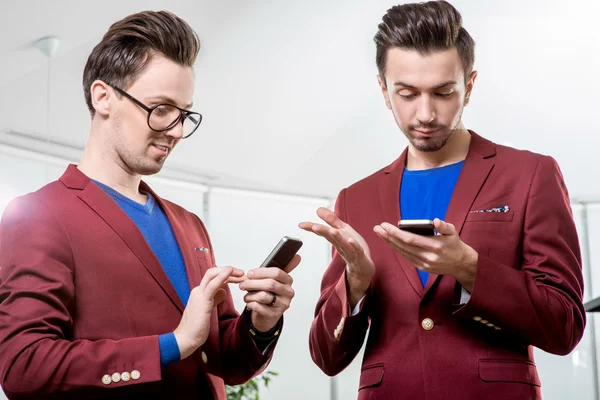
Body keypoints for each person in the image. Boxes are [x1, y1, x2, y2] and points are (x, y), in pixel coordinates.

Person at [0, 10, 298, 399]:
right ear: (103, 97)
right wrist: (172, 344)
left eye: (184, 114)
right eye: (161, 110)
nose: (176, 131)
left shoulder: (189, 224)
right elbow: (25, 366)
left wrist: (261, 321)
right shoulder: (39, 216)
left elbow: (226, 361)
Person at [300, 2, 585, 399]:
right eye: (407, 94)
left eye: (443, 92)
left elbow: (565, 325)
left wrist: (470, 269)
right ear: (384, 91)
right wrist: (355, 283)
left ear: (469, 85)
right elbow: (326, 357)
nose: (425, 113)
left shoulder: (530, 175)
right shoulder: (355, 199)